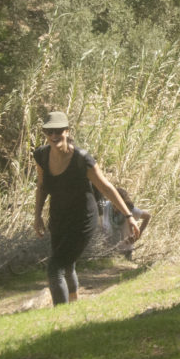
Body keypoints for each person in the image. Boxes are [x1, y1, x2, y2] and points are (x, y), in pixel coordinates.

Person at [33, 111, 139, 305]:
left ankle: (61, 315)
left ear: (67, 131)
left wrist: (129, 216)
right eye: (49, 131)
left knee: (55, 268)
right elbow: (41, 186)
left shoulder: (82, 159)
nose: (54, 135)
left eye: (58, 131)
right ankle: (73, 303)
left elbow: (106, 188)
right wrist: (38, 215)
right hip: (58, 216)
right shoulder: (41, 155)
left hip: (83, 219)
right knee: (67, 265)